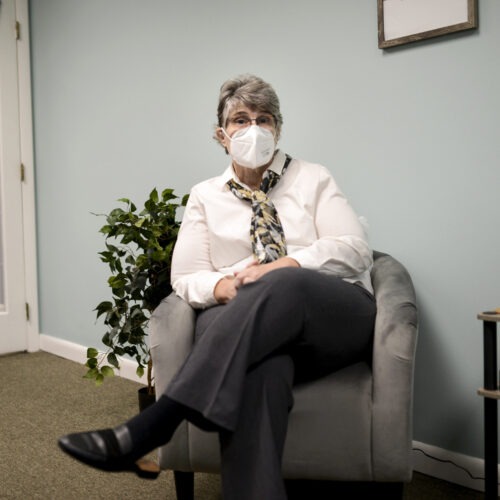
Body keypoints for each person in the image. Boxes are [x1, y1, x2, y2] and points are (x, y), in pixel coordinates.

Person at [58, 74, 376, 500]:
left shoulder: (313, 178)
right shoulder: (204, 196)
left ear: (277, 130)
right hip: (251, 327)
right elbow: (186, 277)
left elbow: (354, 249)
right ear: (221, 135)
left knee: (286, 282)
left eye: (264, 119)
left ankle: (153, 425)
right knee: (264, 368)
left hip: (327, 318)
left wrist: (283, 264)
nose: (254, 129)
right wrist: (225, 287)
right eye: (240, 120)